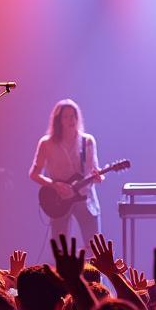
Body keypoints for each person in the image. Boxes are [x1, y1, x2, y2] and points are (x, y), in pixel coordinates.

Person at [29, 99, 102, 245]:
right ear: (58, 120)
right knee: (60, 248)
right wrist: (55, 186)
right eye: (66, 116)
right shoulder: (46, 143)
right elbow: (34, 173)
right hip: (59, 200)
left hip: (85, 200)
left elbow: (94, 169)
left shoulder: (87, 141)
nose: (71, 120)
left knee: (94, 247)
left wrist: (97, 176)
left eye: (73, 116)